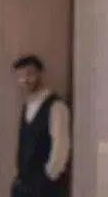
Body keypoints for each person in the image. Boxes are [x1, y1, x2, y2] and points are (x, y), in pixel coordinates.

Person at [10, 55, 70, 197]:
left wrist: (47, 178)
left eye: (30, 74)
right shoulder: (26, 107)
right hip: (24, 187)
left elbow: (61, 147)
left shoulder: (56, 106)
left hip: (46, 188)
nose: (25, 79)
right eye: (21, 76)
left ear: (40, 73)